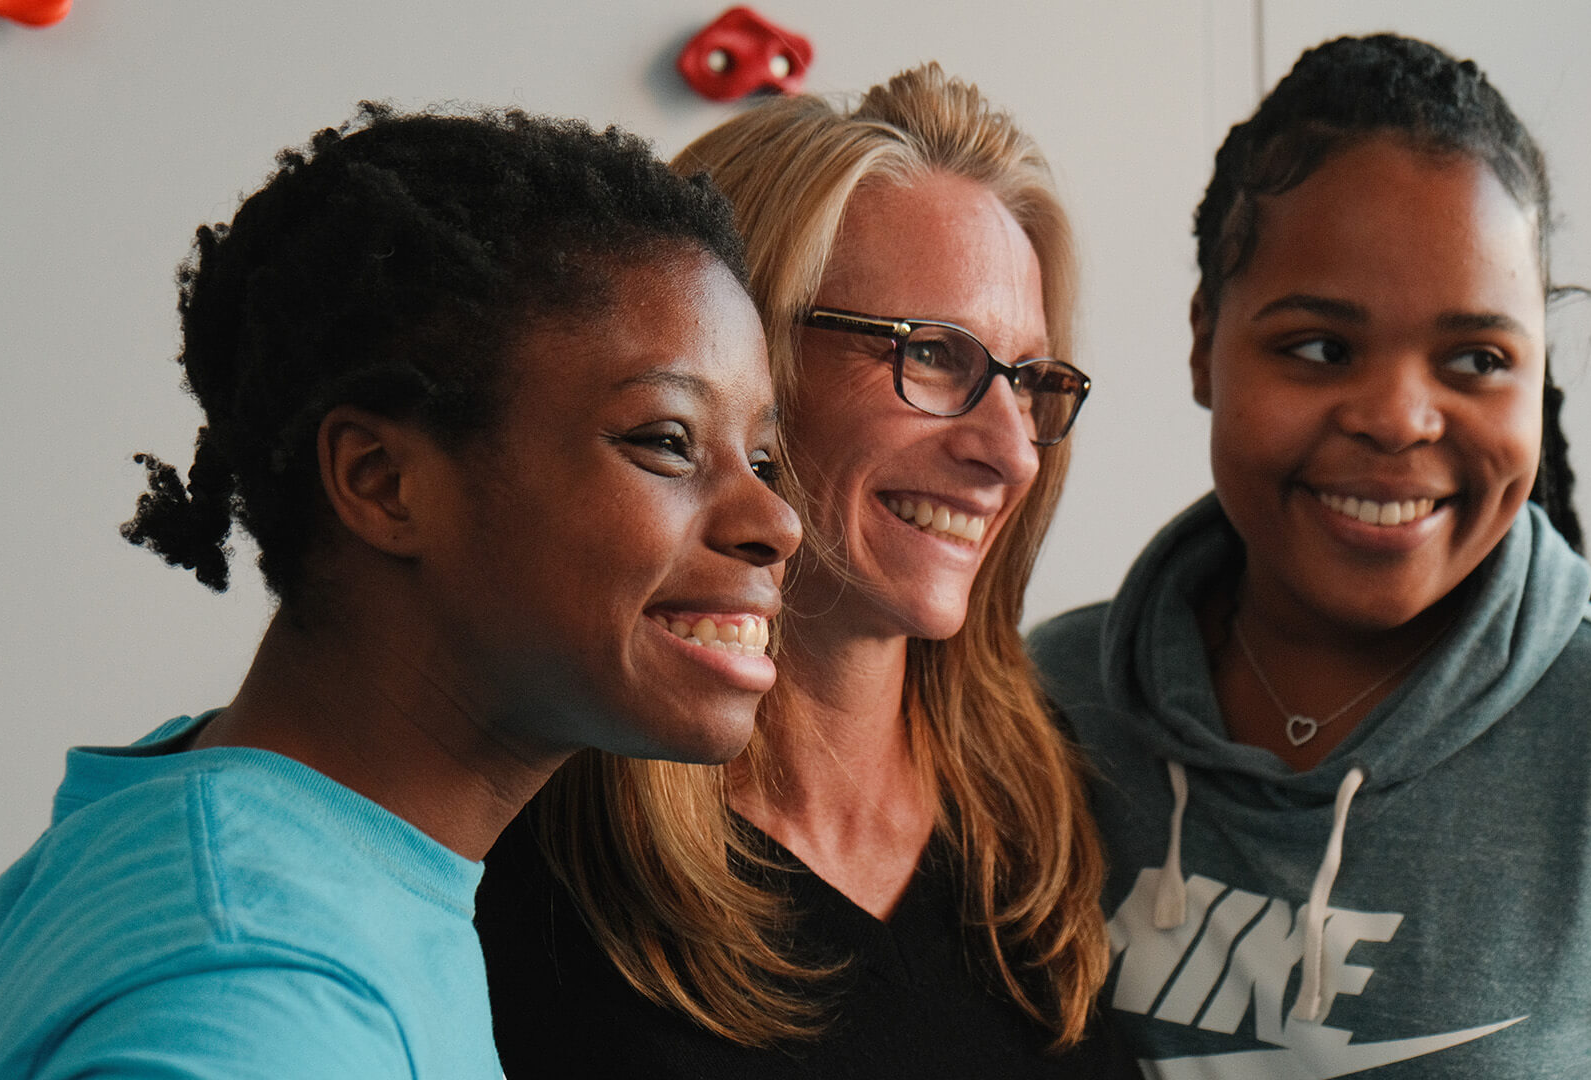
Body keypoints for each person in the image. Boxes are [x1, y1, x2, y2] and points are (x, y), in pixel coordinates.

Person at [1028, 34, 1591, 1079]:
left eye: (1475, 360)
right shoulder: (1044, 711)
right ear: (1203, 343)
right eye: (1320, 348)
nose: (1398, 418)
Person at [0, 104, 800, 1079]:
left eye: (761, 456)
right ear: (381, 481)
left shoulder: (212, 812)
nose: (777, 521)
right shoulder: (266, 1005)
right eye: (667, 441)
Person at [475, 65, 1138, 1078]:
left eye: (1032, 382)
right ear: (736, 359)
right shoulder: (519, 850)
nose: (1009, 452)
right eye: (935, 356)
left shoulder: (1051, 800)